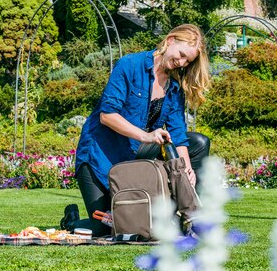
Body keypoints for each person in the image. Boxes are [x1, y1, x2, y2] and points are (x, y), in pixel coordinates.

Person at [61, 24, 211, 236]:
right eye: (181, 55)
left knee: (199, 143)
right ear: (170, 41)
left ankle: (192, 219)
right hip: (99, 158)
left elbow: (178, 133)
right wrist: (146, 136)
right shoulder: (129, 65)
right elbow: (107, 116)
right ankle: (71, 222)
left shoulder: (174, 87)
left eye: (188, 61)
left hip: (132, 157)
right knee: (111, 226)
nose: (182, 62)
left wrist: (186, 169)